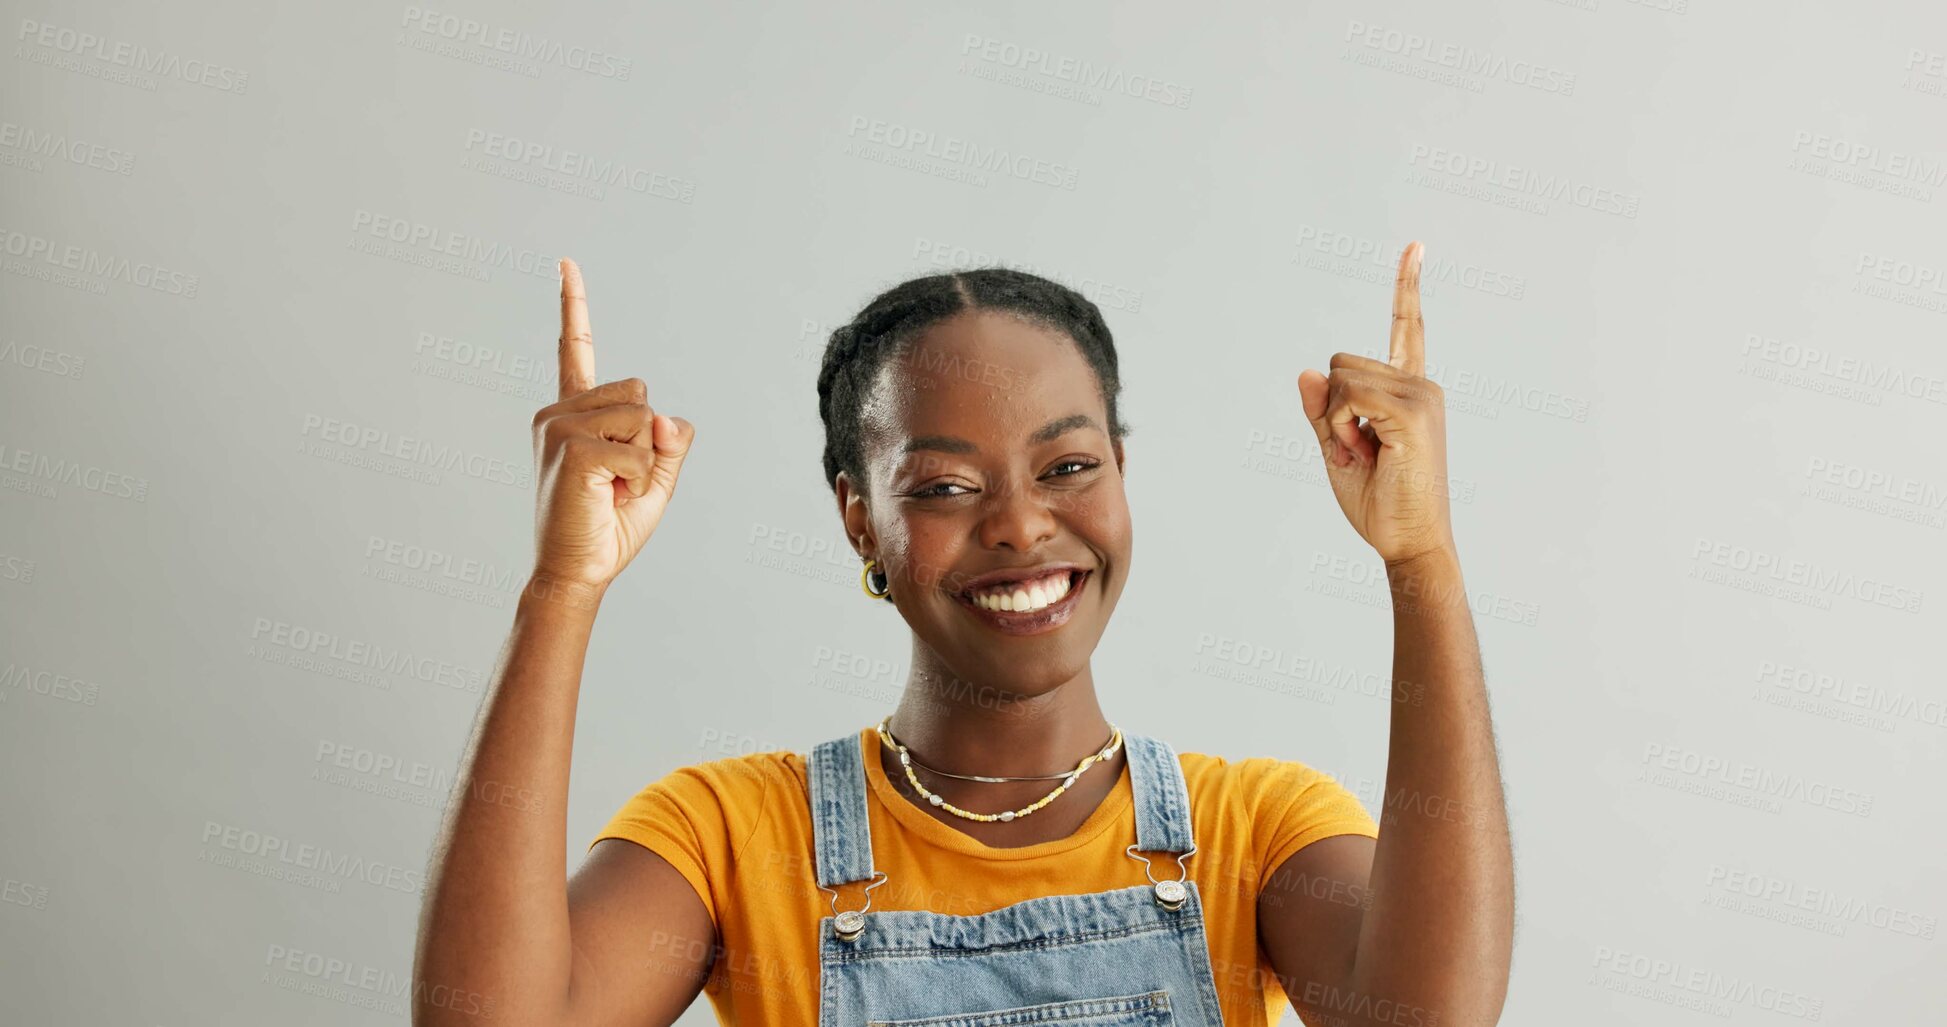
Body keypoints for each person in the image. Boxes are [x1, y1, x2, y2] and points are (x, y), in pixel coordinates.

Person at [413, 245, 1514, 1027]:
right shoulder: (728, 836)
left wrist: (1423, 561)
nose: (1022, 524)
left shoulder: (1258, 829)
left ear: (1123, 473)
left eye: (1069, 466)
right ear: (860, 517)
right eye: (942, 485)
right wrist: (562, 589)